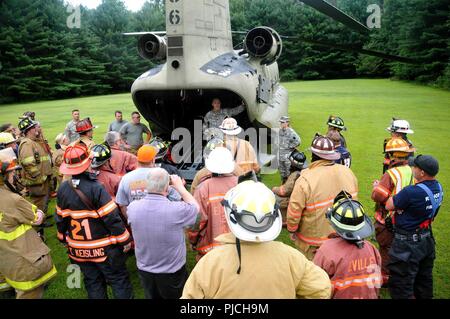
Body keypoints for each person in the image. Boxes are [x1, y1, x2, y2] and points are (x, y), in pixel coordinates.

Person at [182, 180, 331, 299]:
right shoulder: (291, 257)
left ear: (230, 216)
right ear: (272, 218)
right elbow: (322, 289)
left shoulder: (211, 262)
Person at [56, 144, 133, 299]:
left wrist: (64, 239)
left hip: (78, 251)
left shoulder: (63, 189)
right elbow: (111, 217)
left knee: (93, 283)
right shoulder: (95, 187)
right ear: (88, 162)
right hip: (104, 250)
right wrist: (125, 240)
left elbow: (60, 219)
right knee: (119, 281)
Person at [127, 168, 200, 299]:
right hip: (172, 271)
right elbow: (195, 208)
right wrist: (180, 188)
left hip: (145, 270)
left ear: (146, 184)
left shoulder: (132, 208)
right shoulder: (176, 210)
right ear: (167, 187)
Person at [287, 135, 359, 260]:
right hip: (344, 236)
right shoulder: (347, 172)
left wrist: (292, 229)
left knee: (313, 275)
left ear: (313, 155)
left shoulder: (305, 178)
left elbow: (294, 209)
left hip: (314, 243)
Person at [0, 148, 57, 299]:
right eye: (12, 173)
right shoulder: (13, 200)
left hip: (4, 260)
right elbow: (37, 217)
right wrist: (39, 212)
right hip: (22, 260)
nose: (15, 177)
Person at [385, 155, 443, 299]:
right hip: (427, 240)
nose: (412, 169)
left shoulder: (411, 191)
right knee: (424, 281)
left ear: (422, 172)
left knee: (401, 284)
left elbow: (389, 205)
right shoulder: (439, 188)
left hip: (407, 245)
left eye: (415, 167)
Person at [313, 191, 382, 299]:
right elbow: (376, 283)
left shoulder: (326, 251)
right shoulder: (371, 249)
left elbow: (315, 286)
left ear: (334, 222)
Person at [371, 138, 415, 285]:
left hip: (388, 221)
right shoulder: (413, 171)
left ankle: (386, 280)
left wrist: (377, 187)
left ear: (393, 155)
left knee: (386, 250)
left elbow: (378, 196)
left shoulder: (391, 174)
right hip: (406, 221)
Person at [188, 147, 238, 260]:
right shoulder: (241, 184)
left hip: (211, 252)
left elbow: (196, 221)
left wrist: (193, 240)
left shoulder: (203, 188)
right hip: (238, 247)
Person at [115, 145, 180, 220]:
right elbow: (175, 199)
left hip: (137, 223)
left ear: (137, 159)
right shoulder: (162, 175)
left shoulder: (126, 178)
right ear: (153, 160)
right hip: (161, 221)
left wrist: (131, 220)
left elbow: (122, 204)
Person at [17, 117, 53, 235]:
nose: (36, 129)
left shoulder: (33, 142)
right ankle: (37, 232)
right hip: (38, 182)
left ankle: (41, 224)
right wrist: (39, 177)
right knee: (37, 205)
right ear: (29, 130)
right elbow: (28, 163)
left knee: (42, 203)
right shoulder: (27, 144)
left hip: (42, 180)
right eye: (33, 127)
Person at [272, 150, 307, 225]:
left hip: (293, 200)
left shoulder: (295, 175)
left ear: (292, 164)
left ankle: (284, 219)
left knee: (273, 198)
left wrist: (274, 189)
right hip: (301, 198)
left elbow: (284, 191)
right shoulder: (304, 172)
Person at [278, 116, 301, 183]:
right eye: (281, 122)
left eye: (283, 122)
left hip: (287, 157)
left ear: (287, 123)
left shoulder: (291, 132)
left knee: (289, 172)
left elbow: (298, 141)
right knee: (282, 172)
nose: (281, 124)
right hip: (280, 156)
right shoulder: (280, 131)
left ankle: (289, 186)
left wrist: (290, 146)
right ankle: (283, 184)